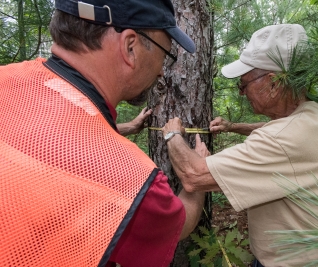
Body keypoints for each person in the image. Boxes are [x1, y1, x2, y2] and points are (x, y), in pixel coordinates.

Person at [0, 1, 205, 266]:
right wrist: (196, 181)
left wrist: (125, 128)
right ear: (130, 47)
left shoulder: (8, 79)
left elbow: (48, 134)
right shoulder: (130, 182)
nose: (161, 71)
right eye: (165, 54)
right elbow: (181, 223)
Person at [163, 24, 318, 266]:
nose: (242, 93)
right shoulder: (316, 118)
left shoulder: (283, 139)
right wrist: (233, 126)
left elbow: (193, 174)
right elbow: (280, 131)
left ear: (274, 83)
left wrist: (172, 136)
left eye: (243, 84)